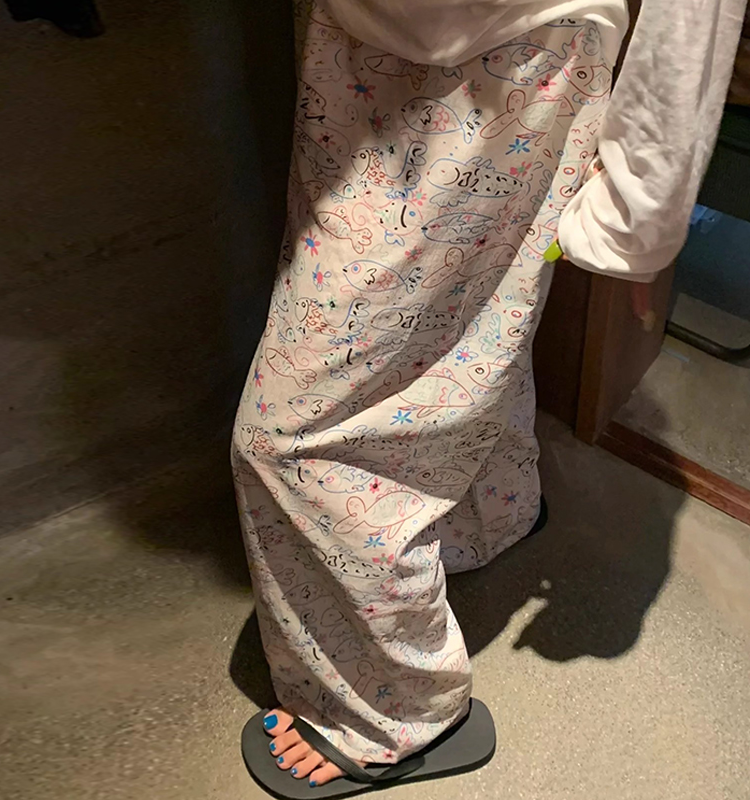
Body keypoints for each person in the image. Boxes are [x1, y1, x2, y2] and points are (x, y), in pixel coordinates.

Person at [233, 0, 747, 794]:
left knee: (297, 436)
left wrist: (639, 218)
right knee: (468, 336)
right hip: (358, 36)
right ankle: (487, 515)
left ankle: (392, 712)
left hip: (517, 58)